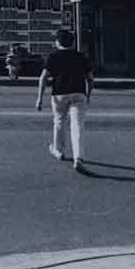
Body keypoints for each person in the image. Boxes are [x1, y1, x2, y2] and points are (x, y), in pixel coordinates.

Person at [36, 29, 94, 172]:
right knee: (78, 125)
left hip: (59, 95)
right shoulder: (81, 56)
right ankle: (78, 158)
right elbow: (90, 79)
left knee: (59, 121)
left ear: (57, 42)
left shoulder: (53, 56)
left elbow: (43, 78)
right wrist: (88, 95)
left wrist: (39, 99)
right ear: (72, 42)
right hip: (79, 93)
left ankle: (59, 151)